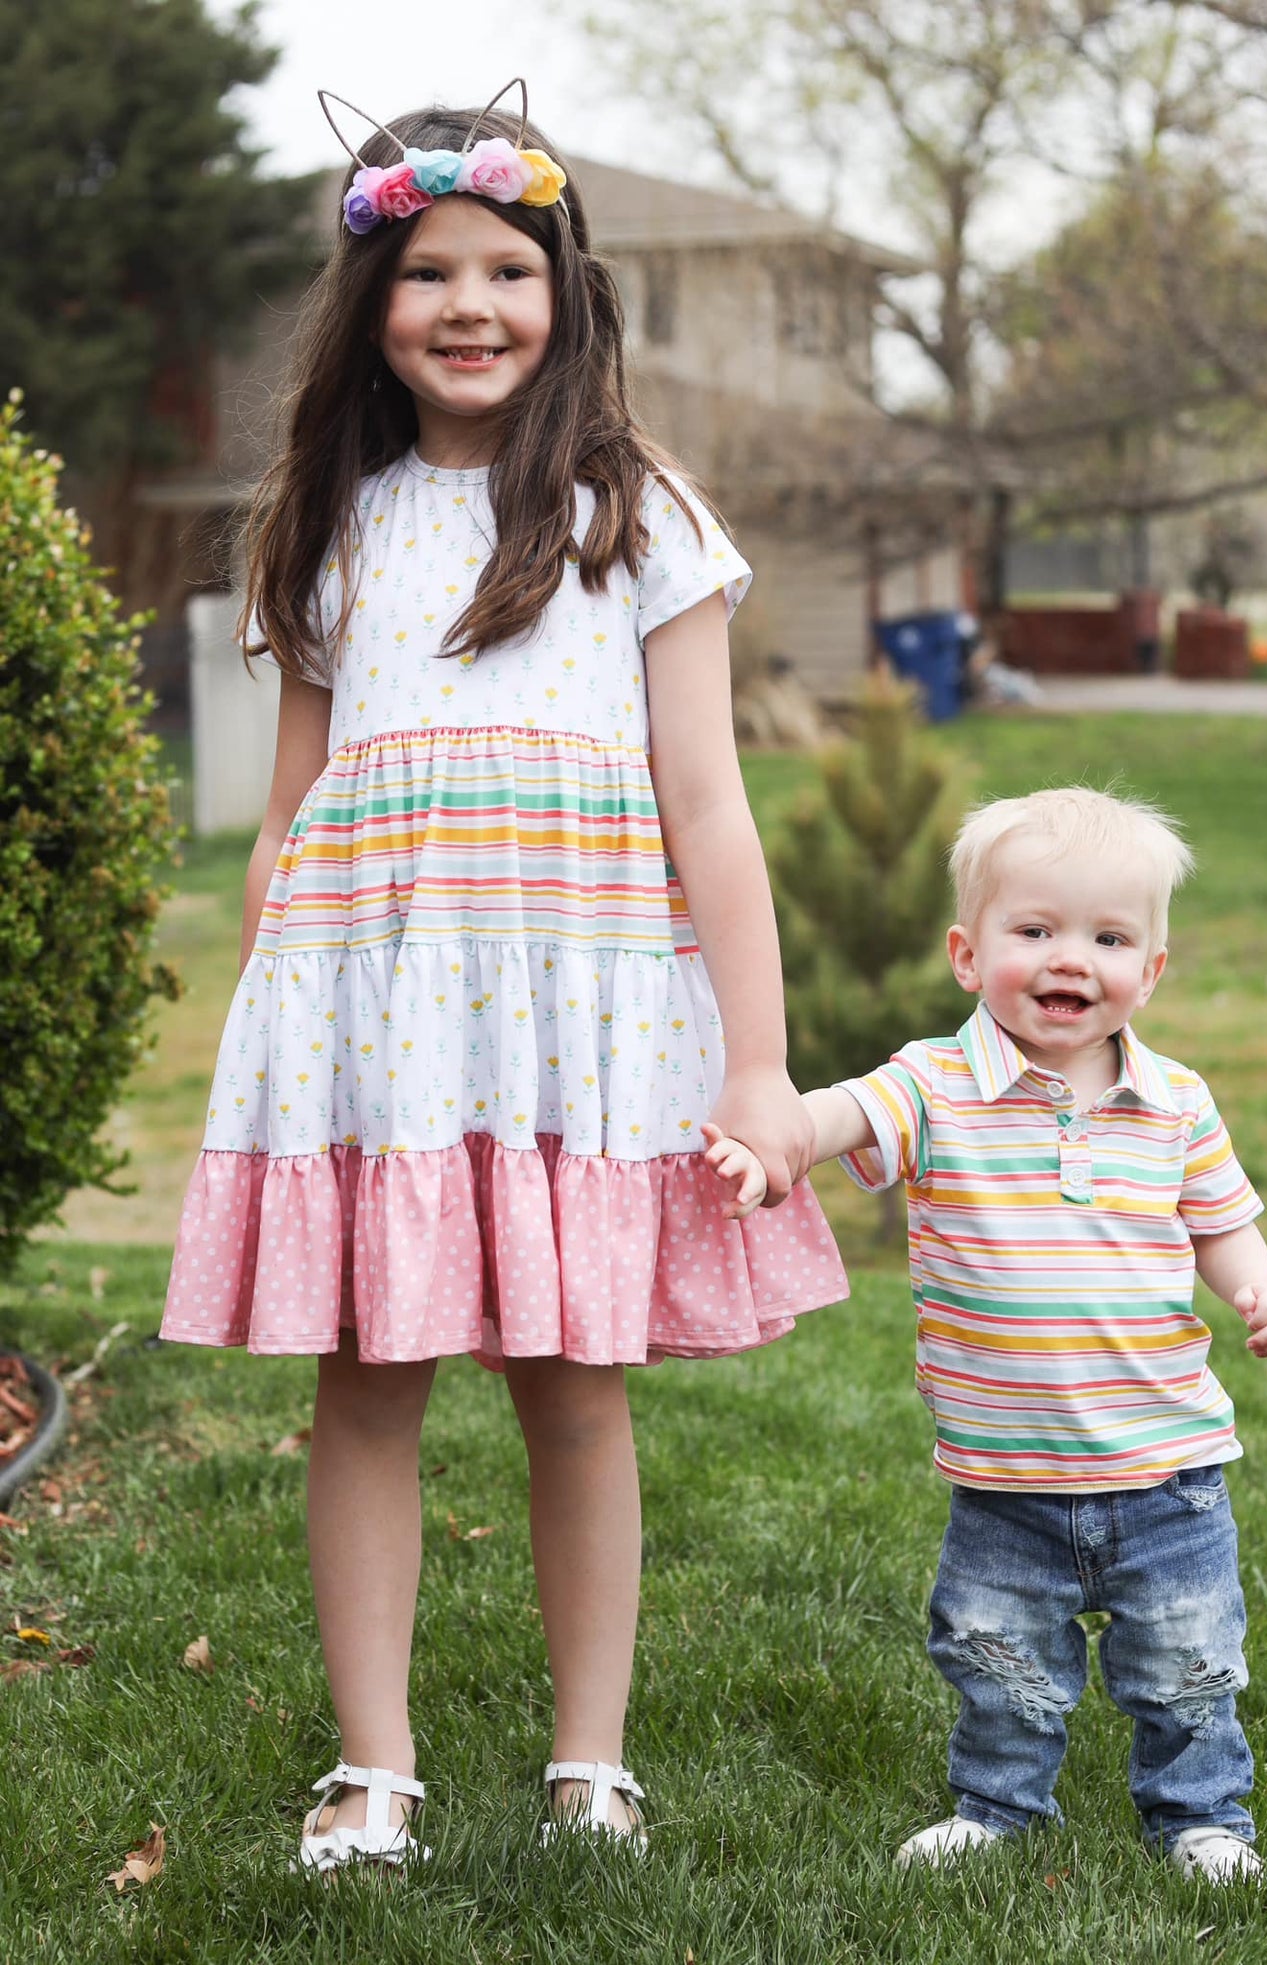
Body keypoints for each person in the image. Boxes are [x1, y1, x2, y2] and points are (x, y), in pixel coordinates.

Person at [160, 83, 846, 1874]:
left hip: (583, 1013)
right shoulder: (327, 513)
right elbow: (296, 802)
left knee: (573, 1381)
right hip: (371, 1014)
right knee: (368, 1382)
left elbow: (708, 798)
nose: (471, 306)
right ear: (372, 300)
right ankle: (372, 1767)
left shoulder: (635, 509)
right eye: (430, 273)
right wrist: (265, 1025)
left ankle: (587, 1761)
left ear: (566, 293)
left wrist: (757, 1069)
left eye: (509, 271)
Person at [705, 786, 1267, 1884]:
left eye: (1107, 938)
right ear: (968, 955)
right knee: (996, 1656)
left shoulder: (1175, 1102)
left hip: (1163, 1469)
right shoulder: (934, 1086)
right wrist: (774, 1143)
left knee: (1184, 1663)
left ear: (1150, 970)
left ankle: (1200, 1818)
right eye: (1033, 931)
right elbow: (842, 1115)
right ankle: (998, 1804)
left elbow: (1220, 1222)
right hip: (998, 1473)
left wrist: (1258, 1295)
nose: (1068, 958)